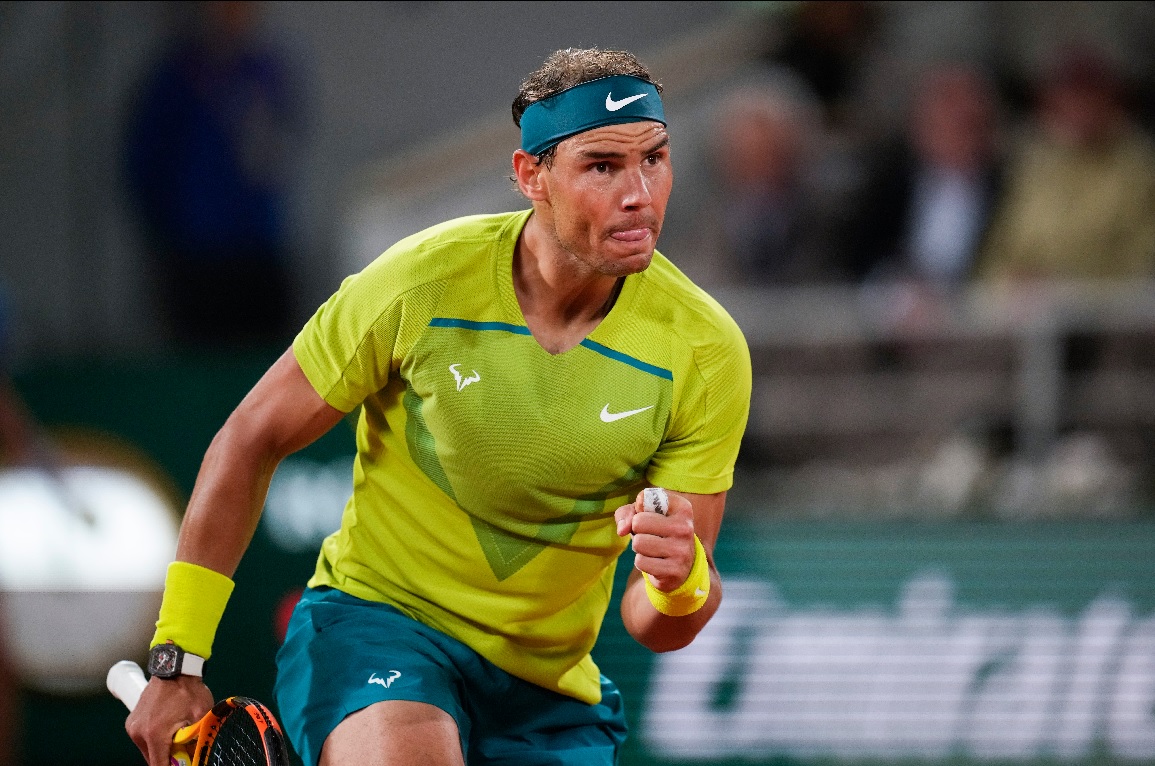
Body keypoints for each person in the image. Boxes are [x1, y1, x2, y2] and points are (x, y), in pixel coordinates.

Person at [125, 47, 751, 766]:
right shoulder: (419, 282)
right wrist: (178, 659)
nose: (639, 192)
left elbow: (656, 619)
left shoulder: (704, 351)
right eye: (601, 166)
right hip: (380, 626)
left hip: (546, 693)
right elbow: (250, 438)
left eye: (655, 158)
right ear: (530, 177)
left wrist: (682, 583)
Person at [124, 1, 302, 348]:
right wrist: (167, 232)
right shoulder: (176, 79)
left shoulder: (267, 74)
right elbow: (144, 166)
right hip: (196, 257)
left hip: (259, 251)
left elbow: (280, 151)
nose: (234, 13)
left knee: (264, 362)